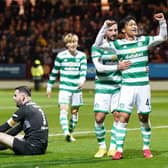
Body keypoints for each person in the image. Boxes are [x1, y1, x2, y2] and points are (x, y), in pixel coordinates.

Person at [94, 13, 167, 160]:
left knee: (143, 117)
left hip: (143, 87)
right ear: (123, 30)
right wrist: (104, 27)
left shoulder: (144, 40)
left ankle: (146, 147)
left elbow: (163, 37)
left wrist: (162, 22)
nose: (134, 26)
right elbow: (98, 44)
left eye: (135, 24)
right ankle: (119, 150)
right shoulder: (118, 45)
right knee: (123, 117)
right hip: (127, 87)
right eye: (130, 24)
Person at [91, 20, 131, 158]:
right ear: (105, 31)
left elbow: (130, 61)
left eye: (115, 30)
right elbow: (99, 68)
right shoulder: (96, 47)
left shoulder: (119, 47)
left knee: (118, 116)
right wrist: (117, 67)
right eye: (111, 30)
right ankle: (102, 147)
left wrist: (143, 68)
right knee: (99, 118)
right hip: (102, 87)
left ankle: (113, 147)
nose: (114, 33)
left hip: (117, 87)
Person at [46, 33, 87, 142]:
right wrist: (49, 86)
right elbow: (54, 72)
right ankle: (66, 132)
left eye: (74, 42)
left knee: (74, 113)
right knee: (64, 110)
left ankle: (70, 132)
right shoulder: (61, 56)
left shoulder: (82, 56)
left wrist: (82, 79)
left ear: (77, 43)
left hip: (76, 89)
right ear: (66, 44)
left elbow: (83, 70)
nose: (72, 44)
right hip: (64, 88)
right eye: (70, 42)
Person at [0, 86, 48, 155]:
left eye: (15, 95)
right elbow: (16, 130)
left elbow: (5, 127)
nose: (13, 98)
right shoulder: (34, 107)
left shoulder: (23, 109)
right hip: (40, 148)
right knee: (16, 137)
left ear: (22, 97)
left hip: (31, 148)